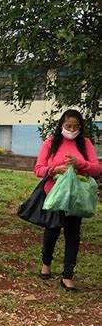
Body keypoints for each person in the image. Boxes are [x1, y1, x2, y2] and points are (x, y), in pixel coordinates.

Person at [34, 109, 101, 292]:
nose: (71, 130)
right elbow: (38, 169)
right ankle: (46, 264)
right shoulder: (51, 143)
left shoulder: (85, 143)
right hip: (54, 195)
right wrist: (55, 170)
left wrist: (80, 164)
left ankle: (67, 276)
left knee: (73, 235)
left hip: (76, 199)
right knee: (52, 231)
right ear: (61, 125)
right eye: (68, 126)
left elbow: (96, 169)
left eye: (75, 126)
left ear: (80, 127)